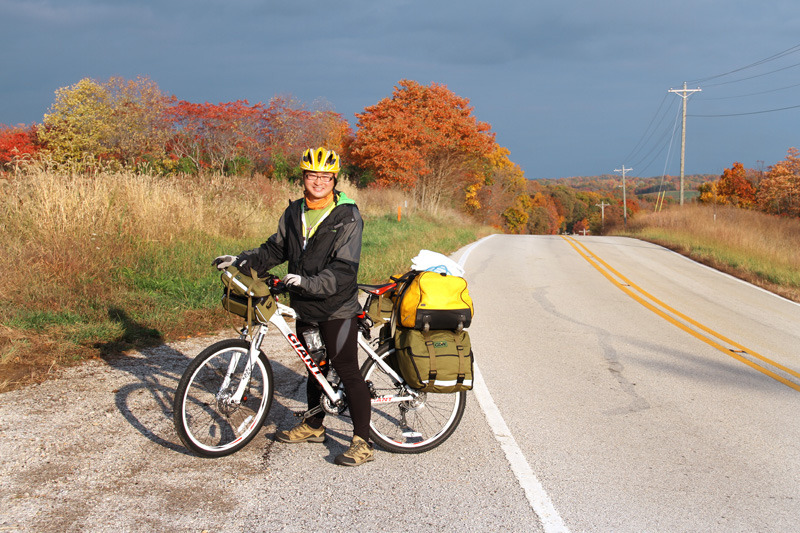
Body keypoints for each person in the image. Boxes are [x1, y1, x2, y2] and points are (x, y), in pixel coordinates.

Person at [213, 147, 373, 467]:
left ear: (333, 179)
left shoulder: (347, 214)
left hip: (335, 306)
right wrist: (242, 262)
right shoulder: (294, 212)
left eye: (324, 176)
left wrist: (308, 283)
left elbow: (344, 268)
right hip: (304, 305)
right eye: (312, 175)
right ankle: (314, 426)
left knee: (346, 369)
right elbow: (275, 249)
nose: (318, 181)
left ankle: (362, 441)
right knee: (315, 365)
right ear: (303, 177)